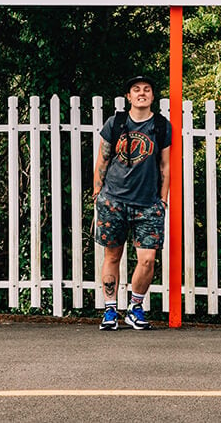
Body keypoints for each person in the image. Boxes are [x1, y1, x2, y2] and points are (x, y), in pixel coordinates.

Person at [92, 75, 171, 330]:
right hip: (113, 200)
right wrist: (97, 196)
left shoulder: (161, 126)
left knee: (147, 258)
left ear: (152, 96)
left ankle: (135, 307)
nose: (141, 93)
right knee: (112, 255)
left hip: (147, 204)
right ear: (128, 96)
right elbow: (102, 161)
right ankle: (110, 310)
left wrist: (162, 200)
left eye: (147, 90)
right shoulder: (115, 123)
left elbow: (166, 165)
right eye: (136, 90)